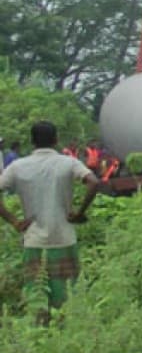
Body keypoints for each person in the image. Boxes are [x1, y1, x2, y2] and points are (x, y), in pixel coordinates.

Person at [0, 121, 102, 316]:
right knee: (67, 299)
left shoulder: (18, 166)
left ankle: (40, 329)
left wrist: (14, 221)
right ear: (56, 140)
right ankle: (65, 328)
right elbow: (93, 182)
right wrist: (79, 213)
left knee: (37, 296)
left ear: (32, 142)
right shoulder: (68, 163)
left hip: (34, 240)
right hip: (64, 238)